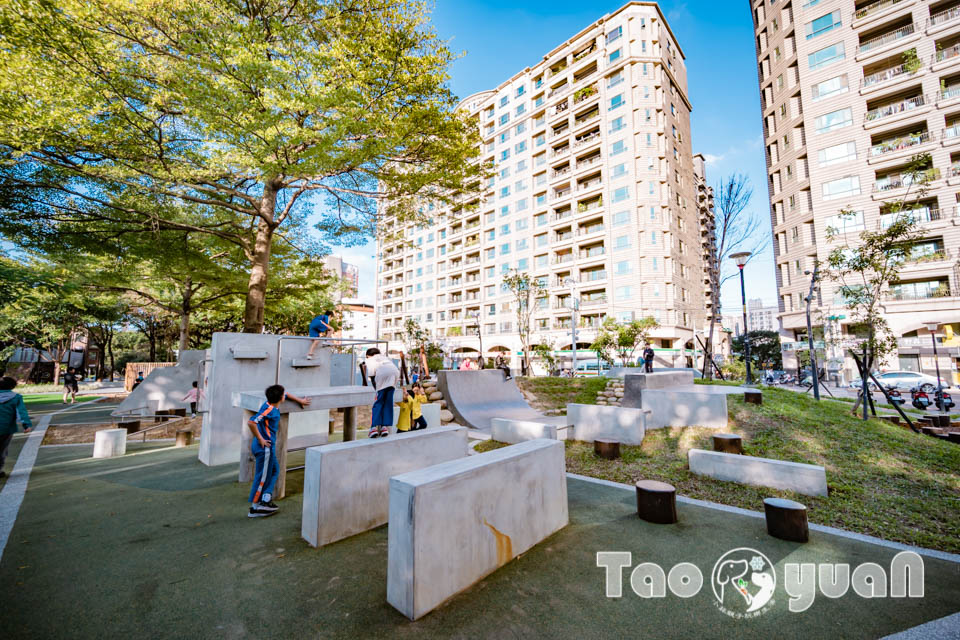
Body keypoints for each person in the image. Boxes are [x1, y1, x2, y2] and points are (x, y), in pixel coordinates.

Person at [247, 384, 311, 518]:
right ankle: (255, 507)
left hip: (267, 447)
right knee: (262, 477)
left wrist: (300, 401)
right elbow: (251, 422)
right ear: (280, 398)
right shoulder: (268, 410)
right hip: (264, 448)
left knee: (276, 470)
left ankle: (266, 497)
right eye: (283, 395)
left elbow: (287, 394)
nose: (285, 395)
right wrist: (260, 439)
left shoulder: (271, 403)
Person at [0, 376, 33, 479]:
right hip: (6, 428)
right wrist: (26, 424)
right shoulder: (16, 397)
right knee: (2, 450)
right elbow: (21, 412)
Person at [365, 348, 399, 439]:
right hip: (395, 374)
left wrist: (377, 390)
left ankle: (373, 428)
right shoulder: (385, 357)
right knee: (388, 403)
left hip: (383, 376)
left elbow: (372, 376)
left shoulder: (369, 359)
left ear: (368, 355)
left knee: (378, 403)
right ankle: (384, 427)